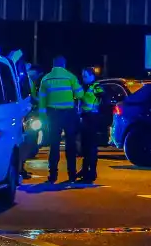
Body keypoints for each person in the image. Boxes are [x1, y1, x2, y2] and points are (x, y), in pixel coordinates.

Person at [37, 56, 83, 184]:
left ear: (53, 65)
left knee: (54, 145)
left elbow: (42, 101)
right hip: (69, 114)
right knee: (71, 145)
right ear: (64, 64)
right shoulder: (70, 77)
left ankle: (52, 176)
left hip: (53, 115)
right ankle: (72, 175)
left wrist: (43, 118)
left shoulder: (46, 79)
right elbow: (80, 94)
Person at [76, 67, 106, 184]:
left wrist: (98, 110)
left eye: (86, 76)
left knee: (91, 147)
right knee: (85, 146)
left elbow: (104, 98)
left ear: (93, 76)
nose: (84, 79)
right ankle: (85, 170)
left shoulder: (96, 87)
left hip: (92, 118)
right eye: (83, 76)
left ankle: (91, 172)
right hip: (85, 118)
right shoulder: (86, 88)